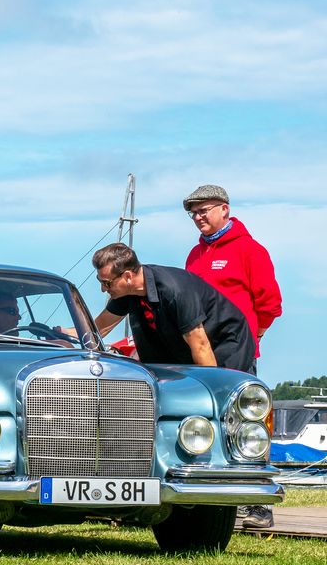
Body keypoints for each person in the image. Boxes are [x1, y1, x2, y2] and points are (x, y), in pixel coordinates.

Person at [183, 184, 283, 529]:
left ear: (224, 209)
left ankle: (257, 504)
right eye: (193, 213)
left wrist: (251, 336)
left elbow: (270, 303)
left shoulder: (250, 250)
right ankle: (208, 498)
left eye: (204, 210)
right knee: (202, 418)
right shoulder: (195, 256)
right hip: (199, 352)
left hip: (235, 350)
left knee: (244, 419)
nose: (198, 218)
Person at [89, 243, 255, 372]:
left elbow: (201, 346)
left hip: (224, 345)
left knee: (218, 403)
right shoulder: (125, 292)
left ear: (127, 277)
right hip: (188, 350)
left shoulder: (175, 291)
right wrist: (64, 336)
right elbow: (98, 330)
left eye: (107, 283)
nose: (103, 289)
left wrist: (211, 396)